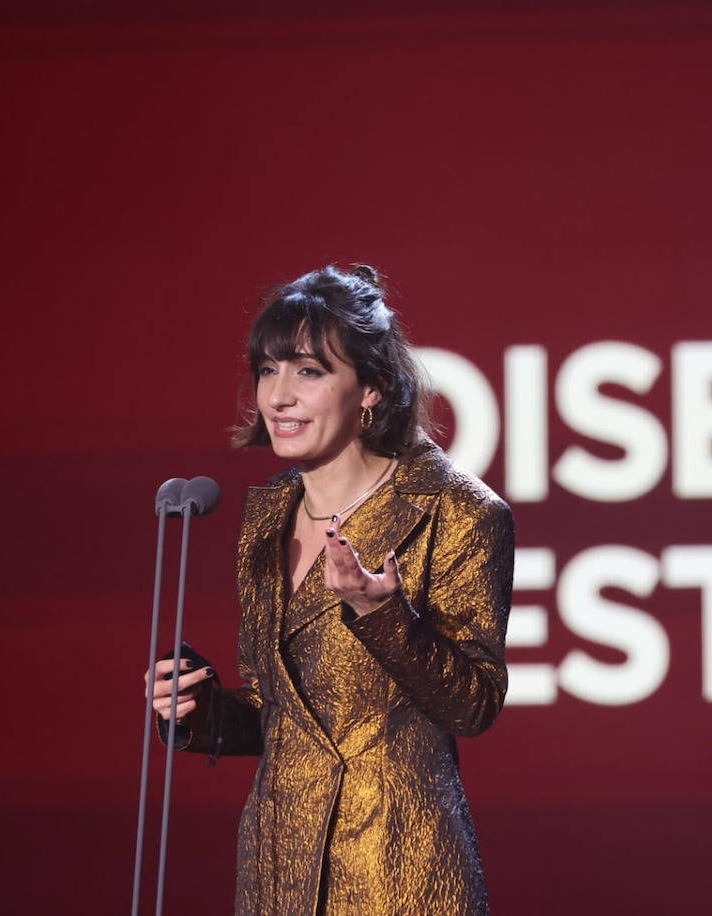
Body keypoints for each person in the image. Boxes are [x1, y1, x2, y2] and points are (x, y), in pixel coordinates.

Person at [149, 265, 514, 915]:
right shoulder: (268, 519)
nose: (278, 397)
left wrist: (381, 613)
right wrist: (200, 711)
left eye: (308, 372)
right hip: (278, 874)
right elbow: (282, 716)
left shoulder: (457, 512)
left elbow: (474, 704)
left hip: (396, 876)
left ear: (371, 388)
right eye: (267, 370)